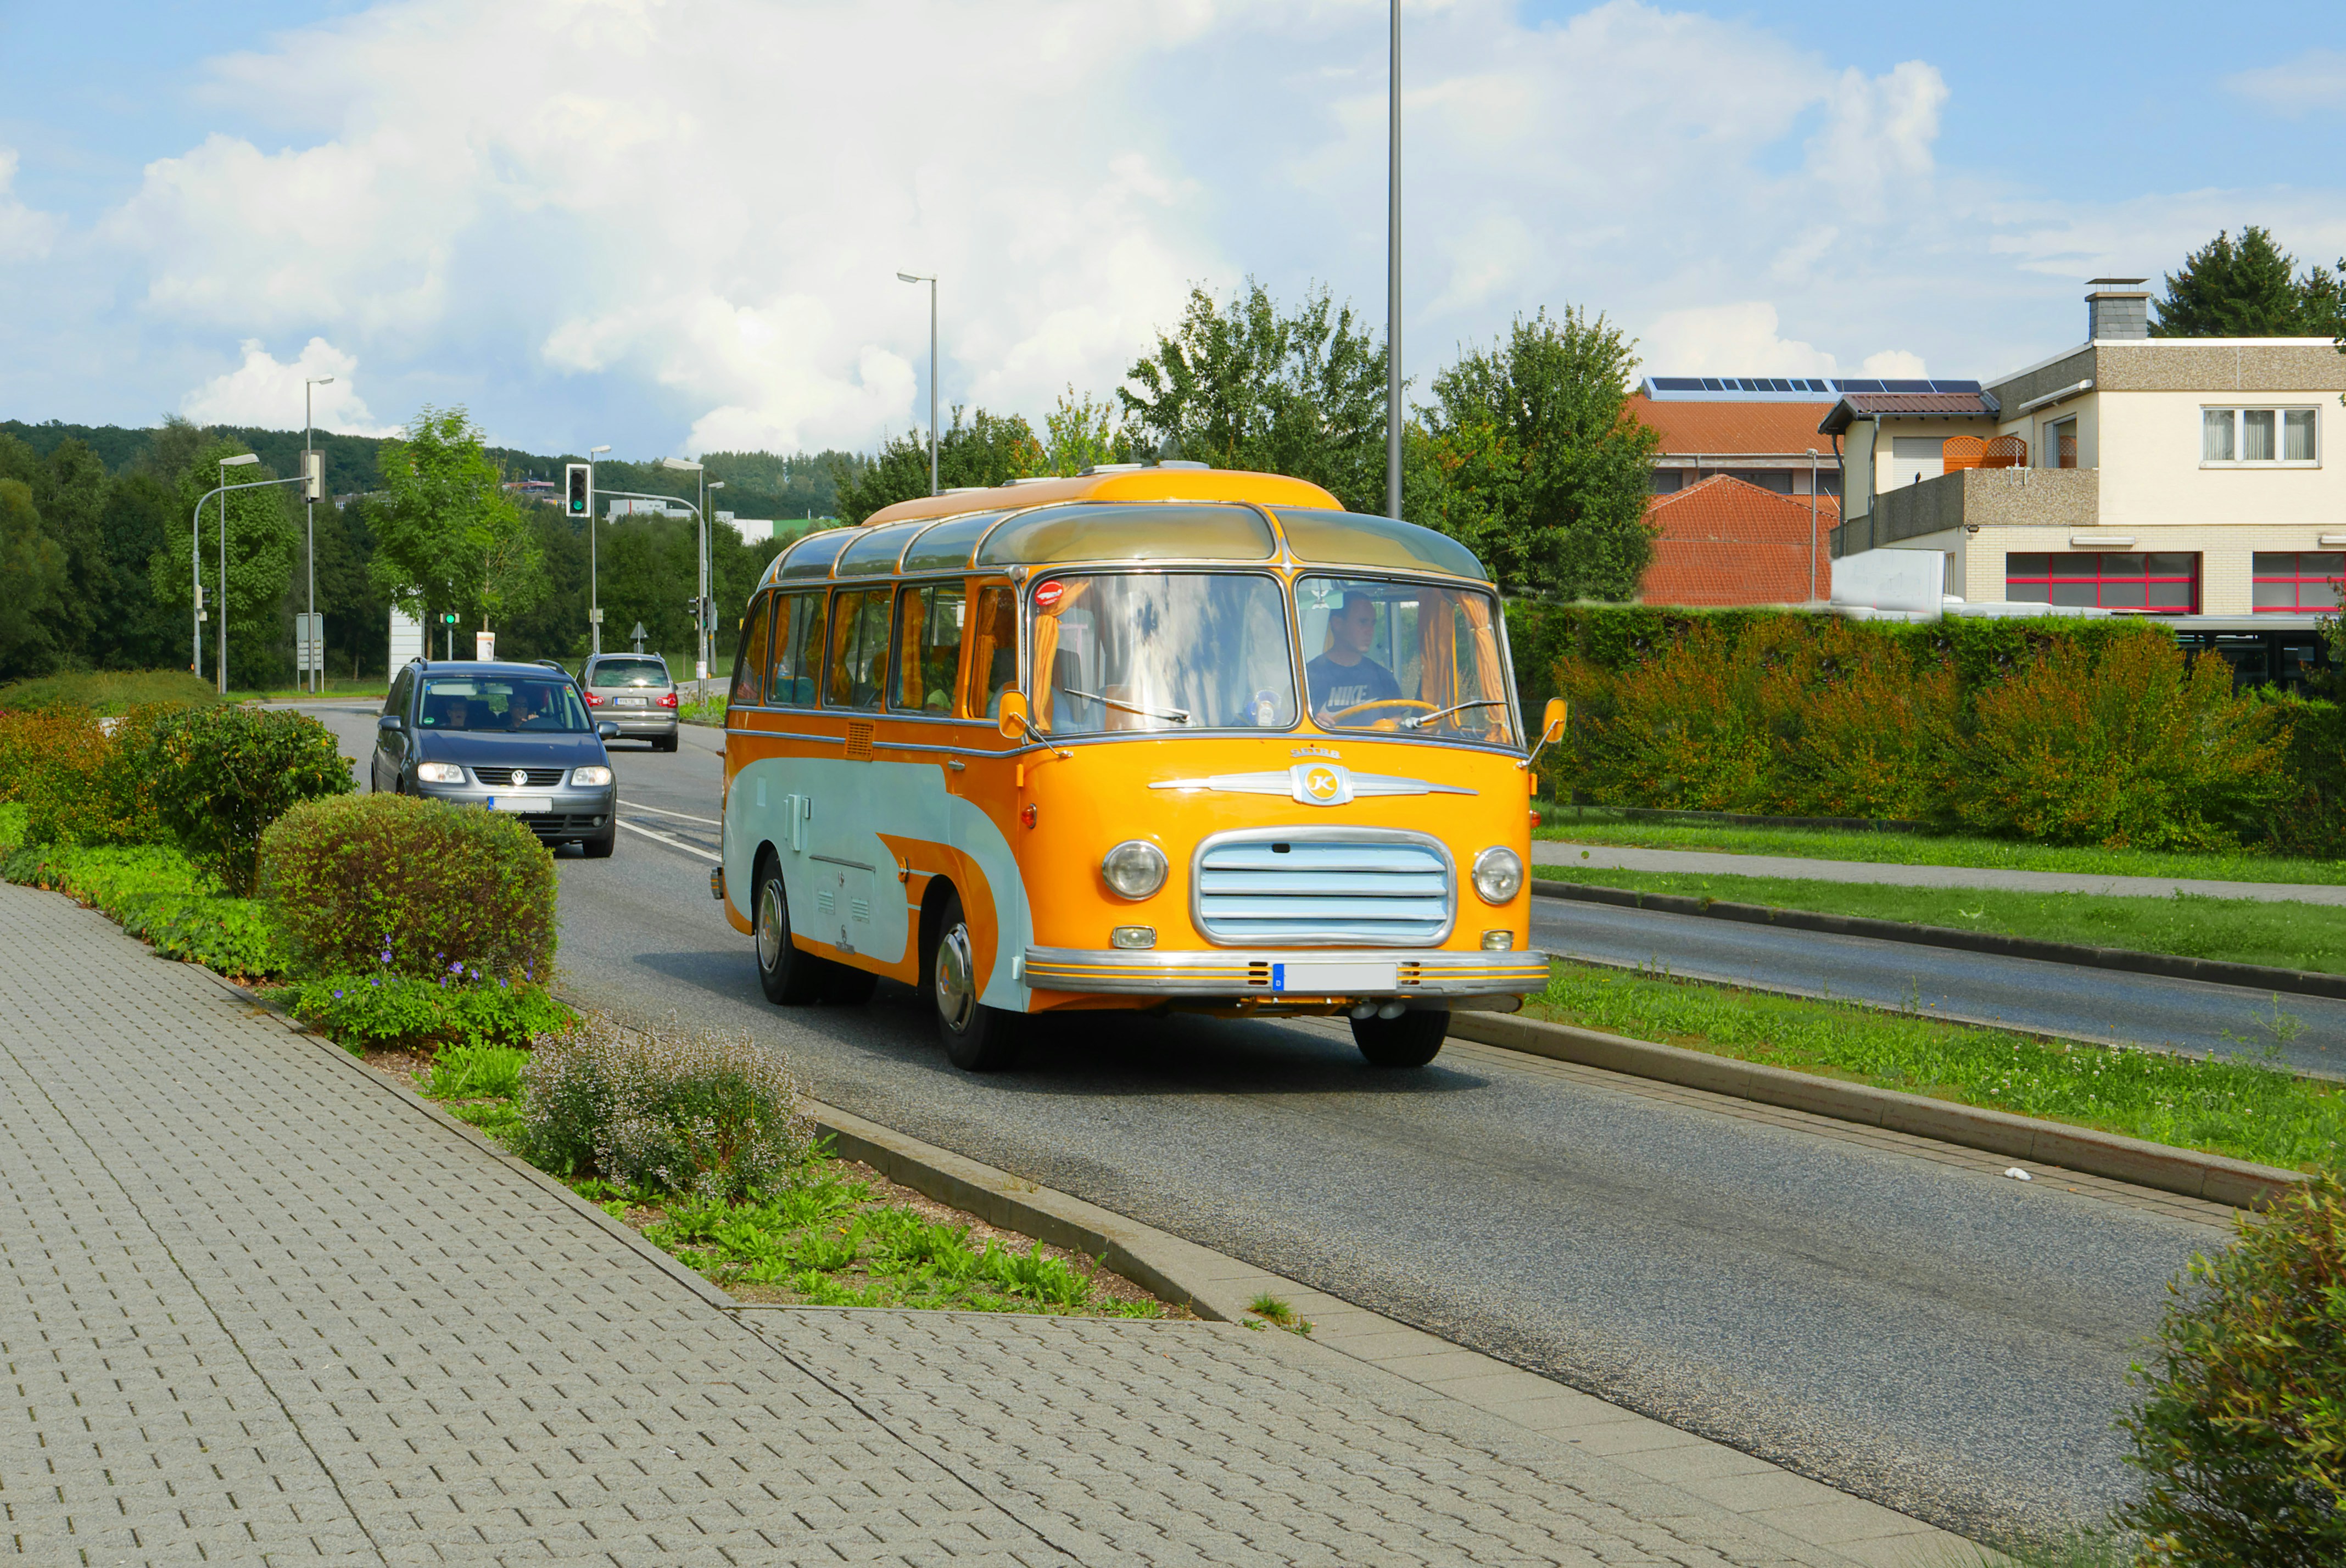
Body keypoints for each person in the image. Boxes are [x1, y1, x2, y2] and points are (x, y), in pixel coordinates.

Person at [1307, 591, 1401, 724]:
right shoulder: (1309, 678)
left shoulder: (1383, 678)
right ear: (1337, 624)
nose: (1370, 631)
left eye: (1372, 623)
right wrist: (1314, 724)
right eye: (1363, 622)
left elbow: (1396, 721)